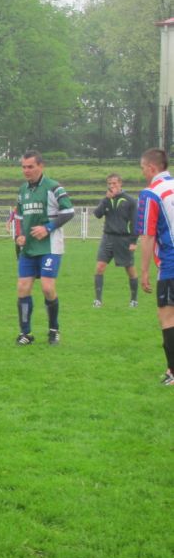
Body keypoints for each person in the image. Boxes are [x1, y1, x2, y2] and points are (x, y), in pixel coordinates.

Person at [12, 150, 76, 346]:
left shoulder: (54, 187)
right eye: (23, 167)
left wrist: (48, 228)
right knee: (22, 288)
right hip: (29, 248)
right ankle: (26, 333)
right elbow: (19, 218)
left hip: (50, 247)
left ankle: (54, 329)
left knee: (48, 288)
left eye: (30, 167)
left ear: (41, 166)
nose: (26, 170)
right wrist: (19, 236)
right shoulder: (22, 190)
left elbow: (69, 211)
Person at [136, 148, 174, 385]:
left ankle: (173, 372)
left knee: (167, 317)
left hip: (170, 263)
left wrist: (144, 271)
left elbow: (148, 236)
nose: (142, 173)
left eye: (142, 168)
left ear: (151, 168)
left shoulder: (151, 193)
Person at [92, 173, 139, 308]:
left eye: (114, 183)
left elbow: (135, 222)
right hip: (107, 238)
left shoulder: (130, 200)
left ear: (120, 184)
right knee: (99, 267)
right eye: (109, 184)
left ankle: (134, 300)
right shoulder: (106, 199)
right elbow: (97, 214)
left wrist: (133, 241)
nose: (112, 186)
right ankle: (98, 300)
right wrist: (106, 199)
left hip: (124, 240)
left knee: (130, 269)